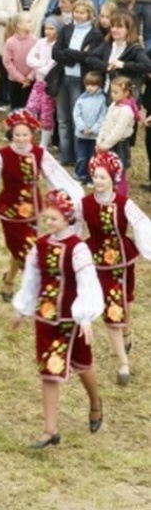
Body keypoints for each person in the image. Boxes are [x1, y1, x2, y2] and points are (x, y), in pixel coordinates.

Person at [0, 110, 83, 302]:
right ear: (11, 135)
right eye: (17, 135)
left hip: (32, 211)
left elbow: (57, 176)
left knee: (27, 249)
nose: (22, 139)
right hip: (10, 211)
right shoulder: (2, 155)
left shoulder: (40, 153)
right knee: (26, 251)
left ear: (32, 135)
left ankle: (9, 280)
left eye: (25, 135)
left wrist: (75, 199)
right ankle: (34, 295)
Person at [12, 190, 104, 449]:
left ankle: (95, 402)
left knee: (82, 364)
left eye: (53, 219)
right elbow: (32, 281)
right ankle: (50, 429)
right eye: (47, 218)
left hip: (71, 318)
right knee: (49, 372)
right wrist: (22, 309)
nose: (48, 223)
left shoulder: (78, 249)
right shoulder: (40, 246)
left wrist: (85, 316)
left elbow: (87, 283)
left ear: (66, 219)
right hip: (46, 318)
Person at [81, 152, 151, 386]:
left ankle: (127, 330)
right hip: (98, 264)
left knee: (125, 305)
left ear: (113, 178)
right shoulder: (85, 204)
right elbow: (73, 230)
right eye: (95, 176)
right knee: (113, 313)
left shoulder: (124, 203)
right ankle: (123, 363)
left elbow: (141, 224)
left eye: (103, 176)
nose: (98, 181)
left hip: (122, 261)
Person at [52, 0, 103, 166]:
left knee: (77, 119)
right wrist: (76, 54)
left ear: (89, 15)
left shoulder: (95, 35)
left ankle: (78, 156)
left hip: (80, 80)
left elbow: (89, 58)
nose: (78, 15)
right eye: (76, 12)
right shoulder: (67, 29)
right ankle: (65, 154)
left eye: (82, 12)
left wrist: (71, 54)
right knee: (62, 119)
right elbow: (56, 52)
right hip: (63, 77)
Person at [26, 17, 60, 150]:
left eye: (52, 28)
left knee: (47, 113)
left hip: (50, 85)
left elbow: (51, 69)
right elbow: (29, 58)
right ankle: (29, 137)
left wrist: (40, 67)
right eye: (46, 28)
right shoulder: (40, 43)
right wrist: (40, 64)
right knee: (31, 108)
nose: (48, 31)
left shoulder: (57, 46)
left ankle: (44, 144)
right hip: (38, 82)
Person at [96, 76, 139, 171]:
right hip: (107, 142)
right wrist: (99, 140)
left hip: (119, 145)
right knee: (107, 170)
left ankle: (120, 186)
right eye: (111, 91)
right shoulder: (113, 105)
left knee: (118, 170)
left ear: (126, 93)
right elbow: (105, 123)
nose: (112, 95)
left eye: (116, 92)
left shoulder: (126, 111)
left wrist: (105, 145)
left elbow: (118, 132)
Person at [72, 72, 107, 183]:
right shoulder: (81, 98)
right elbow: (76, 114)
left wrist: (93, 129)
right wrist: (82, 128)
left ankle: (91, 177)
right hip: (82, 134)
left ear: (99, 85)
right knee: (81, 156)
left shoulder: (102, 100)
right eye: (87, 85)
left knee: (93, 157)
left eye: (93, 85)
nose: (90, 88)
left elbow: (102, 117)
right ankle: (79, 175)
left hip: (95, 136)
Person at [2, 13, 37, 110]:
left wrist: (30, 77)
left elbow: (38, 60)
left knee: (29, 106)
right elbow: (7, 62)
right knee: (16, 106)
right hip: (15, 81)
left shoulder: (35, 40)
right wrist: (20, 78)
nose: (32, 23)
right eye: (28, 21)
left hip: (30, 80)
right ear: (19, 25)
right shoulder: (10, 42)